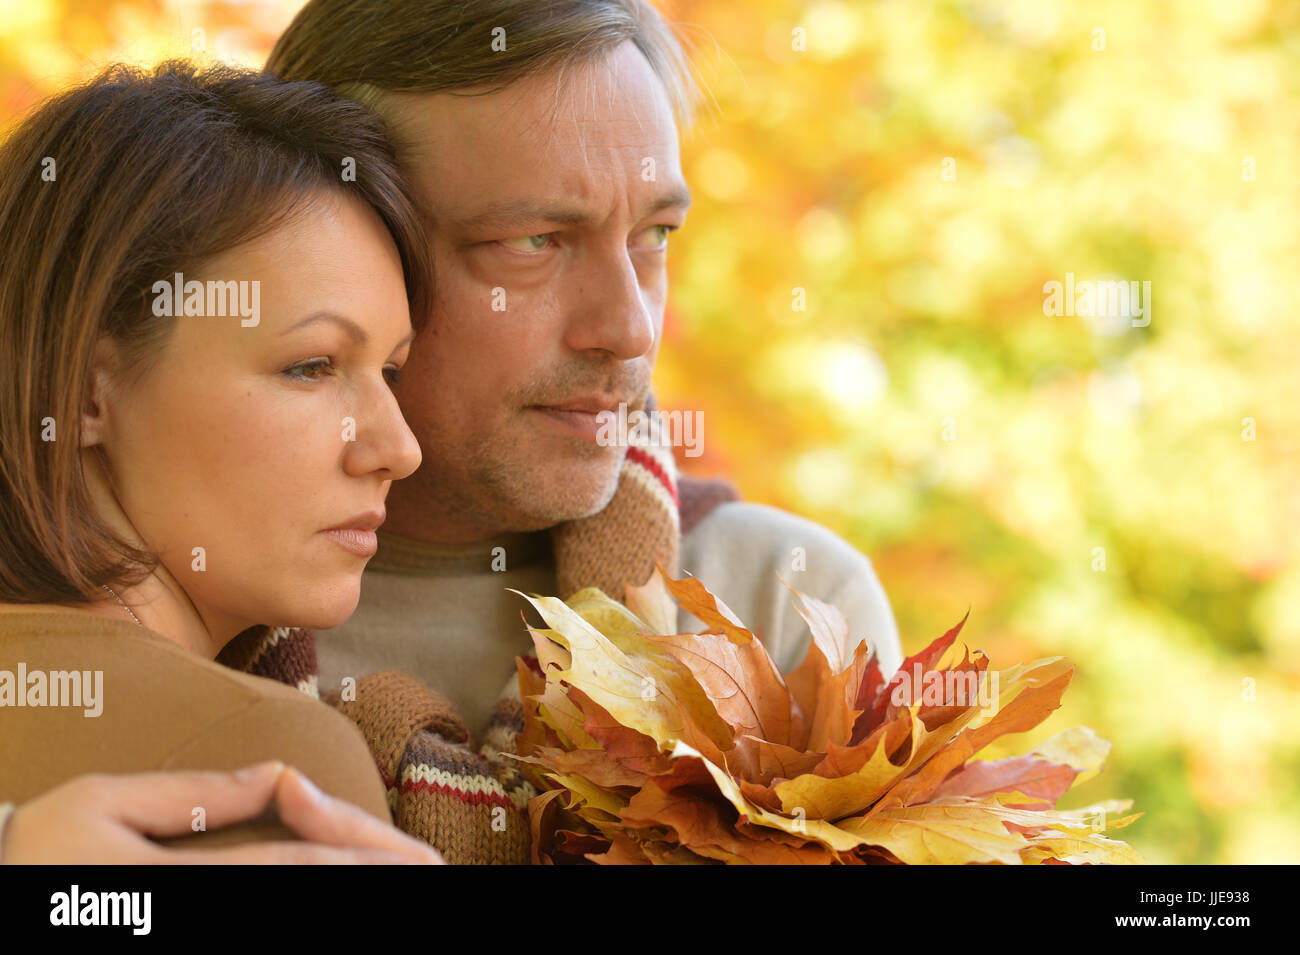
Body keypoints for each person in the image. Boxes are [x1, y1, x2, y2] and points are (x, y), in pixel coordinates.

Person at [10, 0, 906, 865]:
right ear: (364, 231)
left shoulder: (789, 609)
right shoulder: (132, 602)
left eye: (656, 233)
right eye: (533, 241)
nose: (629, 327)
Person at [0, 60, 441, 863]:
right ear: (82, 396)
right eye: (311, 365)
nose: (399, 449)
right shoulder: (263, 759)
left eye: (393, 373)